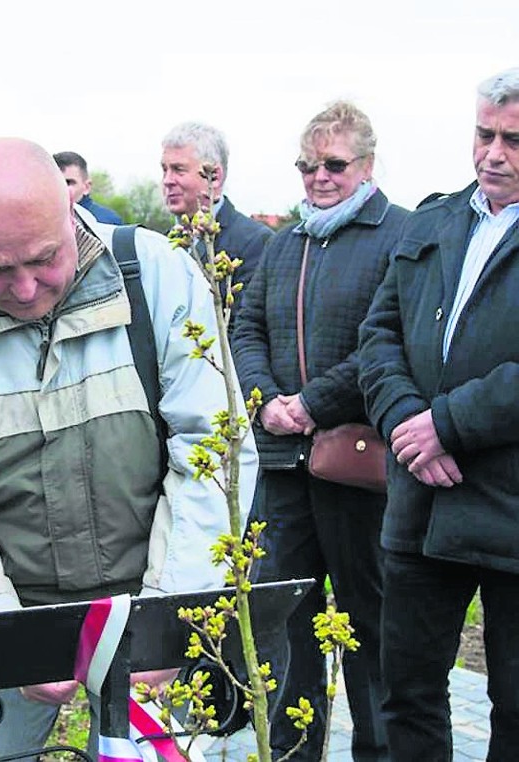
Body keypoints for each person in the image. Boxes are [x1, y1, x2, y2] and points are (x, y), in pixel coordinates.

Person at [0, 137, 258, 760]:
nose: (26, 289)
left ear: (70, 205)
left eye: (43, 258)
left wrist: (169, 620)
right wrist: (1, 635)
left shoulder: (156, 276)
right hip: (18, 609)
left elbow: (212, 451)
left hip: (161, 599)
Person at [233, 101, 408, 762]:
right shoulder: (288, 242)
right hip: (283, 466)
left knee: (370, 625)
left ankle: (381, 751)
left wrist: (312, 403)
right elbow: (246, 324)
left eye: (333, 164)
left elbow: (389, 342)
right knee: (286, 624)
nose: (318, 177)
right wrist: (268, 400)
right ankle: (293, 750)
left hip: (357, 466)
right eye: (307, 165)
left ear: (365, 163)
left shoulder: (401, 235)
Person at [358, 67, 519, 762]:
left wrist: (447, 423)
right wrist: (406, 422)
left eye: (514, 140)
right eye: (484, 134)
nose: (493, 153)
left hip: (509, 506)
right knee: (408, 692)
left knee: (515, 704)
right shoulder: (434, 220)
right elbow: (378, 334)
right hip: (421, 500)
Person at [161, 121, 273, 333]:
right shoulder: (162, 245)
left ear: (215, 176)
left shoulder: (255, 243)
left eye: (178, 170)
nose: (167, 180)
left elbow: (245, 330)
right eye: (164, 169)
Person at [53, 150, 124, 224]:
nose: (61, 188)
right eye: (55, 183)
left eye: (68, 183)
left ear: (86, 187)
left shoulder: (108, 223)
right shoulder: (42, 219)